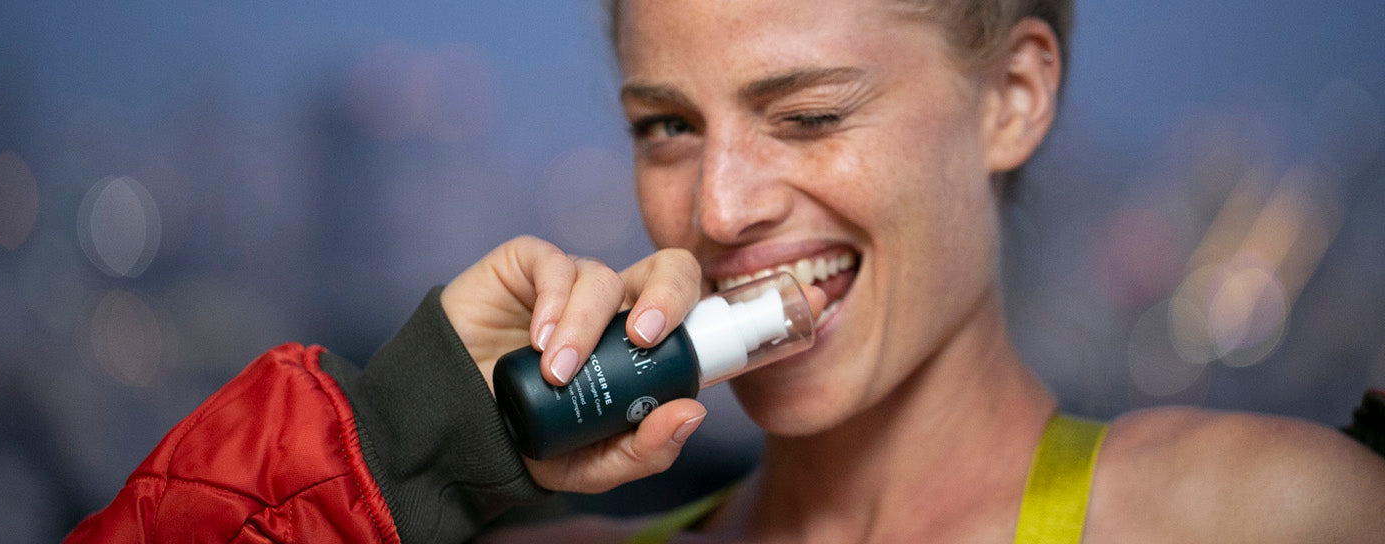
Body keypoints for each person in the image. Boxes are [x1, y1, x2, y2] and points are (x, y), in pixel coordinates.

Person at [67, 1, 1385, 543]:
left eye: (809, 114)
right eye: (666, 127)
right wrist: (405, 444)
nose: (717, 208)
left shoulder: (1267, 516)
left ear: (1015, 97)